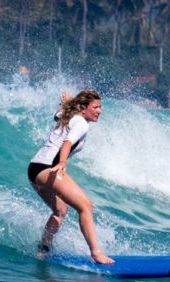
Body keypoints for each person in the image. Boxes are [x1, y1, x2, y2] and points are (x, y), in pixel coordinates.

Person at [26, 90, 114, 264]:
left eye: (100, 107)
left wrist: (66, 104)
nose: (99, 111)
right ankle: (96, 253)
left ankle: (43, 249)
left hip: (34, 168)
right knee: (86, 206)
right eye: (95, 107)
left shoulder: (68, 116)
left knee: (60, 210)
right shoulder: (81, 123)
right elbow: (67, 142)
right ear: (83, 108)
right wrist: (62, 162)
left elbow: (57, 115)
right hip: (48, 168)